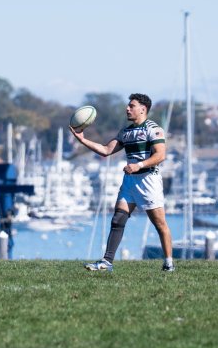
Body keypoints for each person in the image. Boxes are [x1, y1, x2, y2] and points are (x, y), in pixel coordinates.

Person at [71, 93, 174, 272]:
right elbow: (105, 150)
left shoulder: (153, 129)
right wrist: (82, 139)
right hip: (129, 182)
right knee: (118, 218)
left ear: (143, 109)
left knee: (160, 224)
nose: (127, 108)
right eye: (128, 105)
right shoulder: (126, 132)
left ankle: (169, 263)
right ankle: (107, 261)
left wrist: (139, 165)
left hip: (148, 181)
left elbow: (160, 155)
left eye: (131, 106)